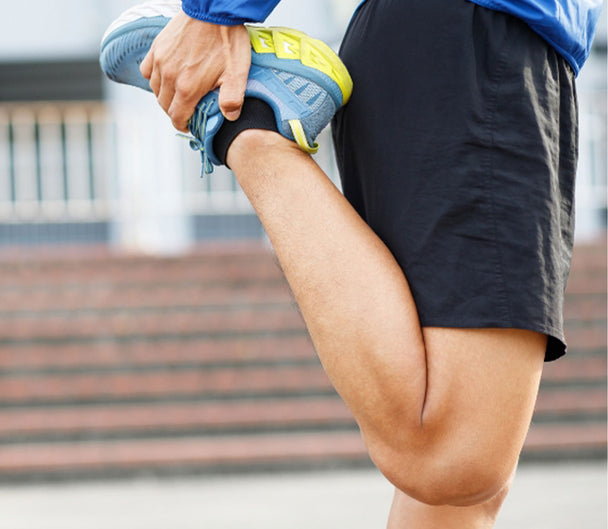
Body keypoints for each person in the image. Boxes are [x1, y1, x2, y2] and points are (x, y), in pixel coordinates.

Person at [99, 0, 603, 527]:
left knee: (460, 497)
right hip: (471, 40)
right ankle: (247, 120)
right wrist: (215, 13)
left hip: (499, 49)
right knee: (452, 458)